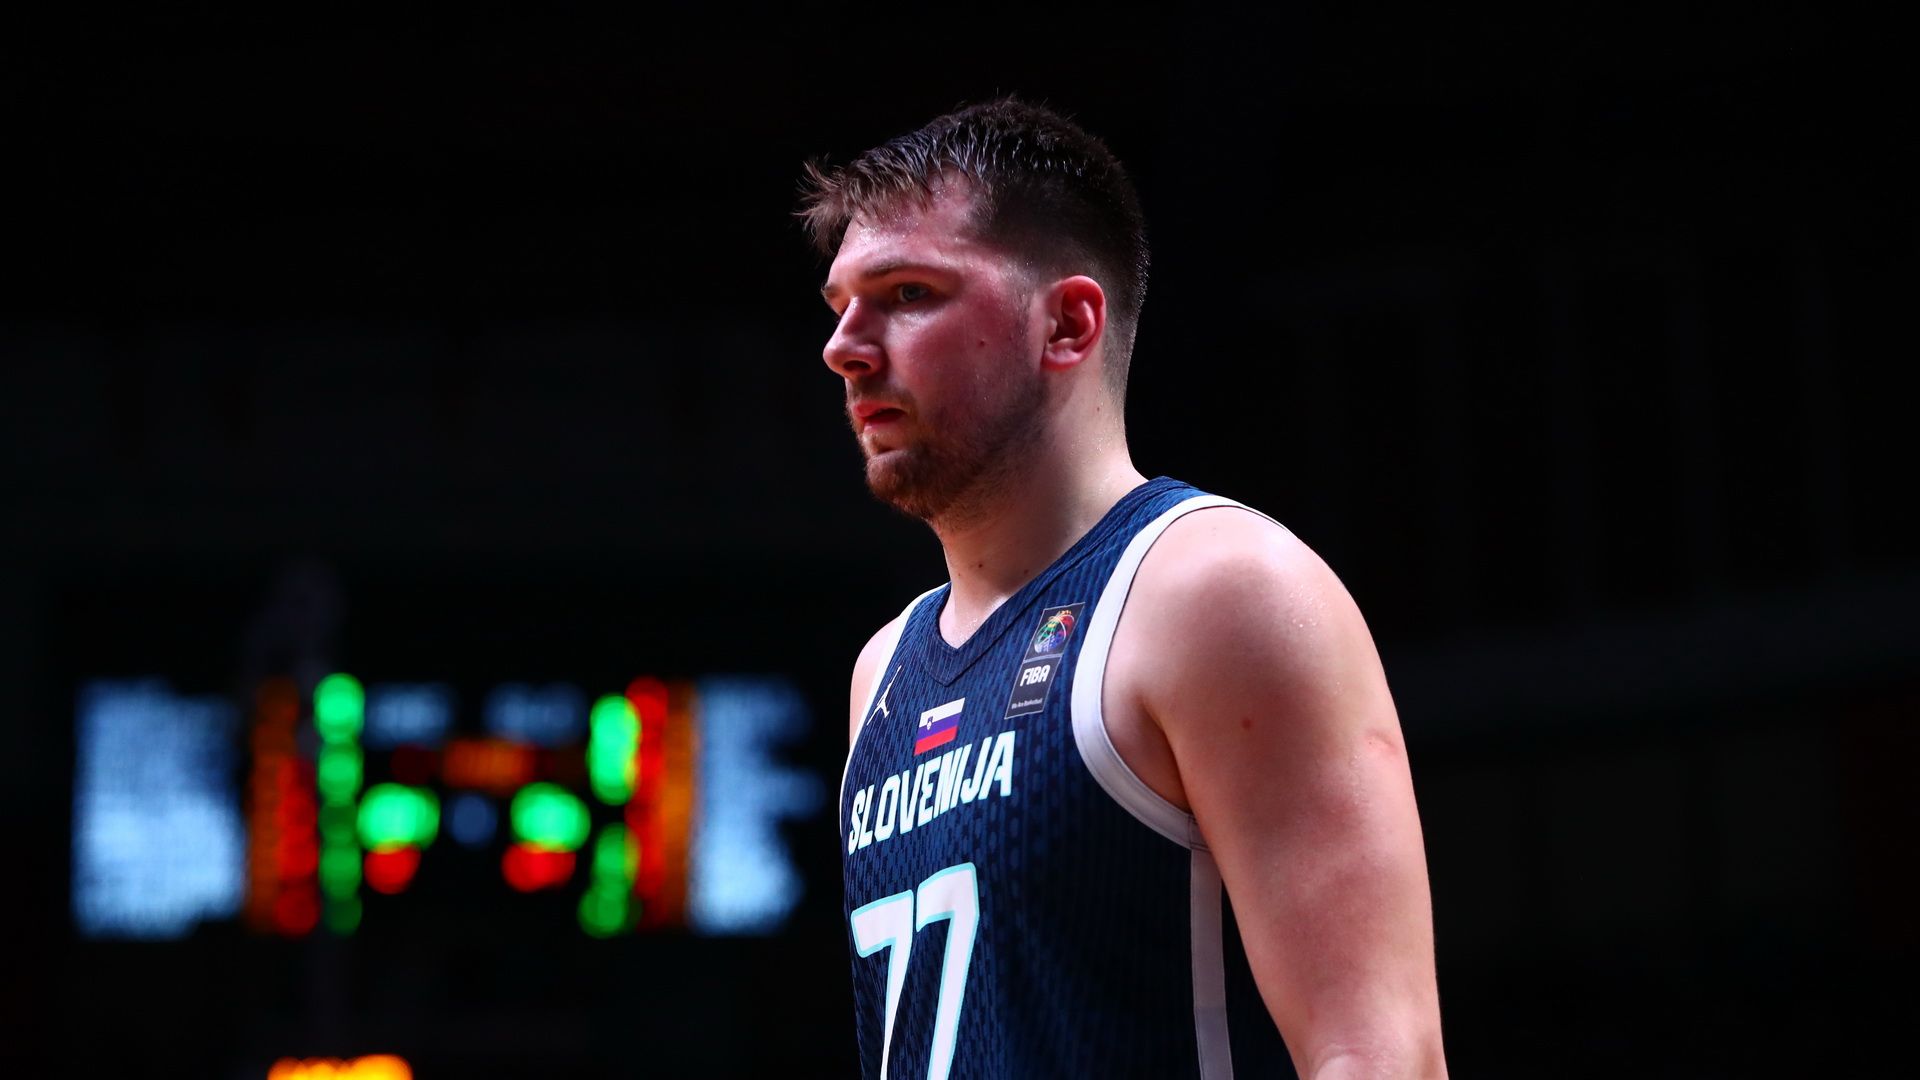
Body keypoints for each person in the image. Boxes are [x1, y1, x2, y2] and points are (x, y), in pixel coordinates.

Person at [803, 98, 1447, 1080]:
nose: (845, 345)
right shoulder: (882, 672)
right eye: (840, 305)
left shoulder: (1218, 591)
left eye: (909, 293)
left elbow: (1381, 1055)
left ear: (1067, 323)